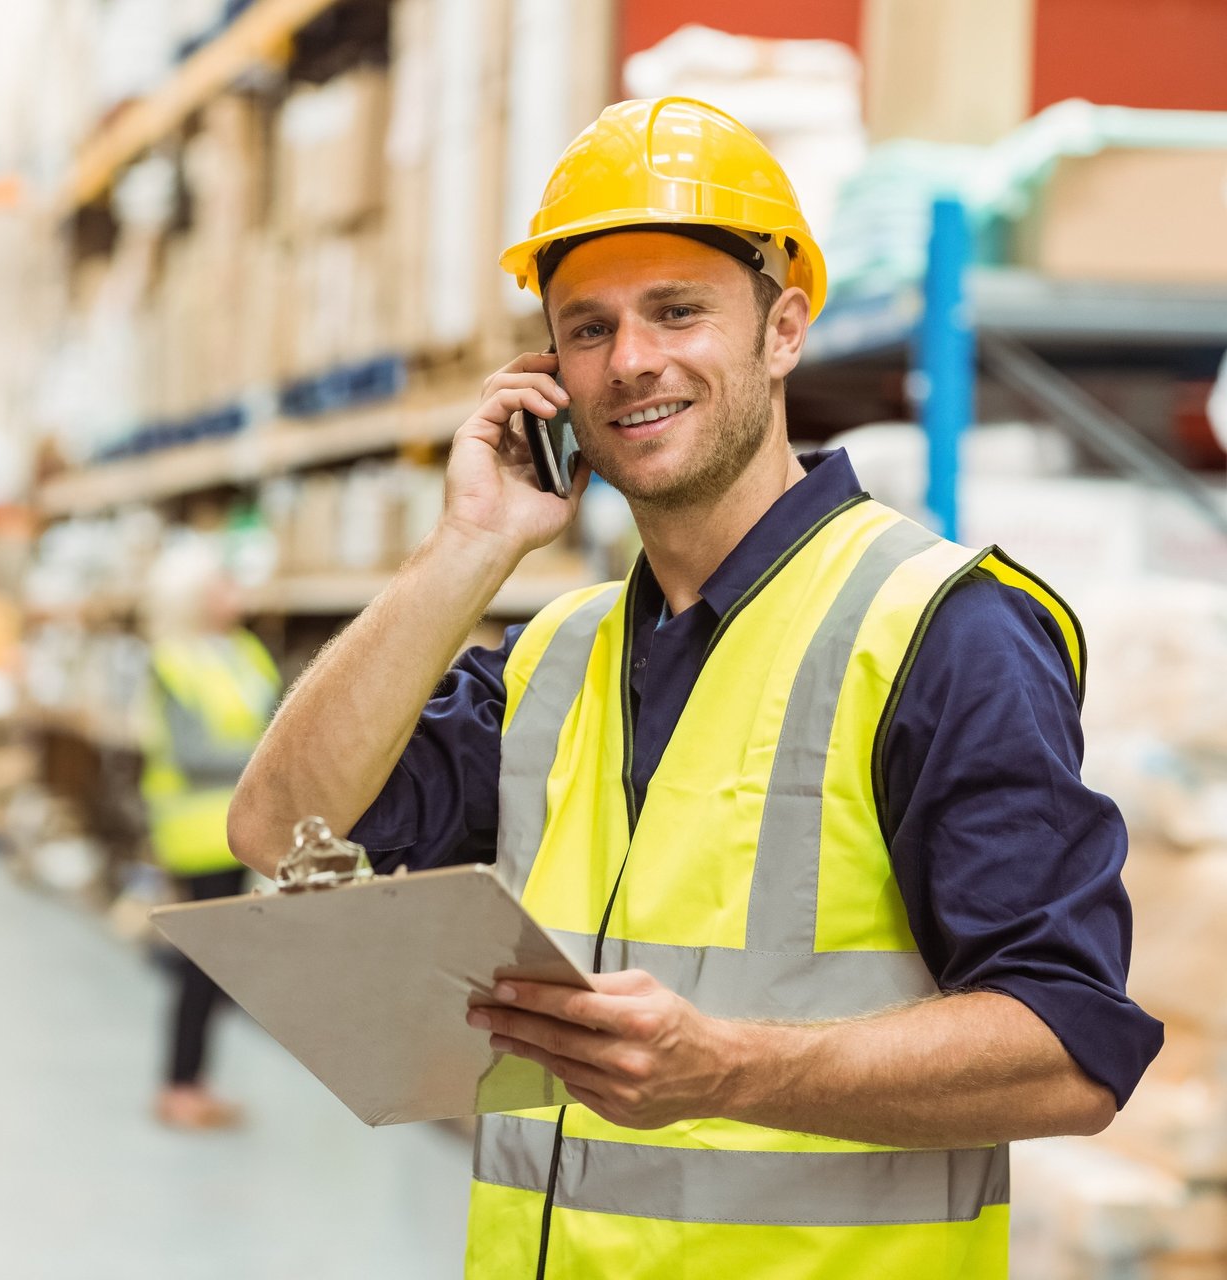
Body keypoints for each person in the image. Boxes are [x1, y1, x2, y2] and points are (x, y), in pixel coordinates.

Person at [228, 97, 1161, 1278]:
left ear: (782, 330)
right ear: (548, 374)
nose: (632, 361)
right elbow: (279, 828)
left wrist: (729, 1067)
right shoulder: (552, 660)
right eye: (588, 328)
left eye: (678, 311)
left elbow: (1071, 1053)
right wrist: (472, 540)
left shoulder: (938, 629)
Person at [139, 541, 282, 1129]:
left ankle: (194, 1081)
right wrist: (271, 762)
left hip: (246, 827)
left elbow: (284, 718)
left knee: (219, 962)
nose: (237, 593)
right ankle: (179, 1085)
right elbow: (195, 753)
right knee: (201, 964)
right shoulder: (172, 661)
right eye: (224, 584)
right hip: (197, 835)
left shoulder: (247, 653)